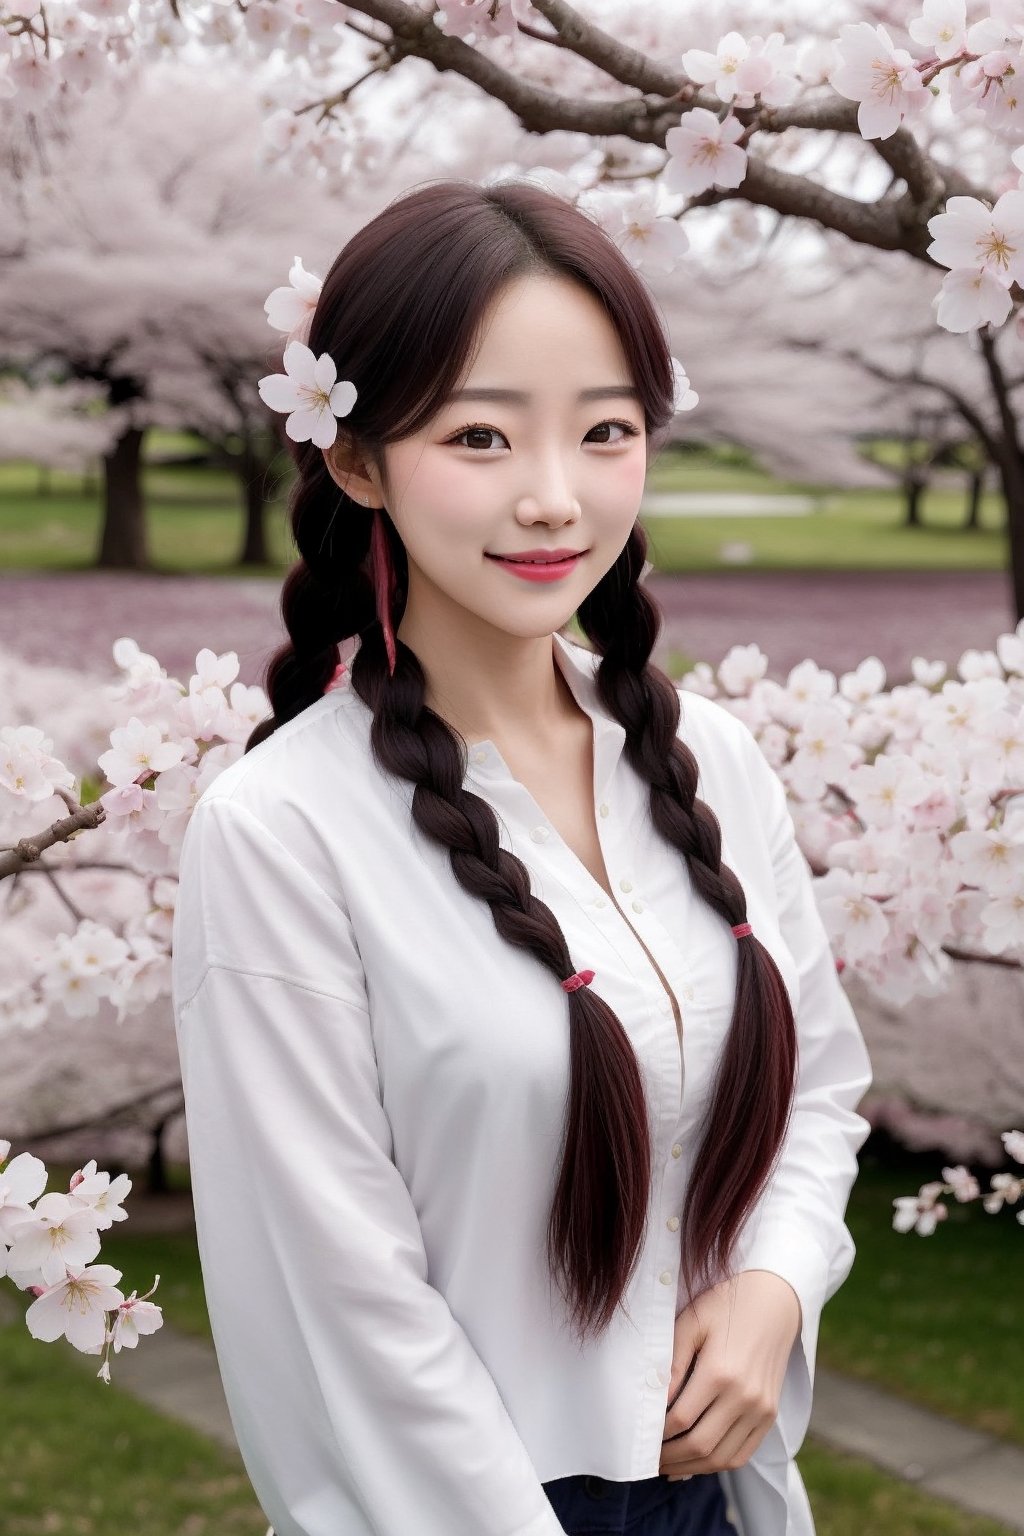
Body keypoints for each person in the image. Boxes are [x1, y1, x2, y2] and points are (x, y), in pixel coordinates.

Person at [170, 178, 874, 1536]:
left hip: (708, 1487)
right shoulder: (282, 832)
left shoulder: (708, 758)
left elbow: (821, 1084)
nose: (553, 498)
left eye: (604, 432)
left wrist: (775, 1285)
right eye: (482, 435)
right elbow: (340, 1303)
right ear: (357, 460)